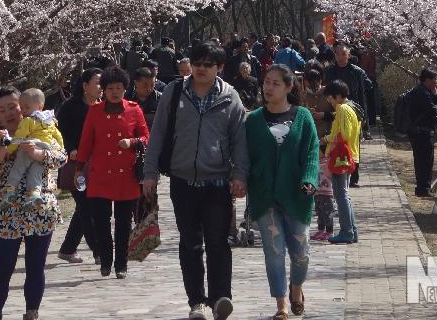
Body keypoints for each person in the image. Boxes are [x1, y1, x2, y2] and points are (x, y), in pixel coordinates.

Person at [142, 41, 249, 320]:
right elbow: (158, 133)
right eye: (197, 63)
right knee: (190, 243)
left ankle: (220, 298)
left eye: (207, 64)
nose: (200, 69)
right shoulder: (175, 92)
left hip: (217, 183)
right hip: (182, 180)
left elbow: (239, 140)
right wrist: (149, 173)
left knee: (218, 242)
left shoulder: (230, 97)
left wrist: (239, 175)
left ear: (219, 68)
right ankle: (197, 301)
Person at [0, 87, 67, 320]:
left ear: (24, 105)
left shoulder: (44, 128)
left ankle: (32, 313)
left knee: (35, 266)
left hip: (39, 209)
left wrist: (41, 155)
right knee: (3, 267)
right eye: (2, 110)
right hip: (7, 213)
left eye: (13, 106)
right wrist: (3, 150)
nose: (8, 113)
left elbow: (62, 156)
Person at [246, 65, 318, 319]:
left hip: (297, 196)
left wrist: (309, 179)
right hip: (265, 196)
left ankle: (296, 287)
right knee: (274, 252)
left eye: (275, 83)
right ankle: (281, 305)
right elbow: (245, 157)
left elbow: (312, 153)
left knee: (301, 253)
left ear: (289, 87)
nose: (269, 88)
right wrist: (241, 180)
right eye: (266, 82)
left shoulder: (303, 117)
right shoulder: (253, 120)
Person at [75, 66, 149, 279]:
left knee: (124, 224)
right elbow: (86, 141)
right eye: (110, 88)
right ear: (104, 91)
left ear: (125, 89)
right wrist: (79, 168)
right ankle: (105, 262)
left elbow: (146, 137)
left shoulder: (134, 109)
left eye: (119, 88)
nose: (114, 92)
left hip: (126, 176)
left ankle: (121, 265)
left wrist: (132, 142)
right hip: (100, 176)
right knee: (100, 222)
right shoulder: (94, 111)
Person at [56, 68, 102, 264]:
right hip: (76, 166)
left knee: (85, 208)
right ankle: (99, 251)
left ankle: (67, 248)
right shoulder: (69, 107)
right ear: (85, 86)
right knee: (86, 206)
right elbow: (59, 134)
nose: (102, 87)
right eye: (98, 83)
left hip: (97, 167)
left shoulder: (103, 107)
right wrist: (71, 149)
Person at [3, 89, 65, 203]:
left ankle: (10, 188)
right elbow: (58, 135)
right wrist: (61, 146)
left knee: (19, 167)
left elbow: (19, 136)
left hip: (30, 145)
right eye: (21, 108)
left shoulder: (28, 120)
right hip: (45, 148)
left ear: (40, 106)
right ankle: (35, 192)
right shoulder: (49, 120)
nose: (23, 111)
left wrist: (10, 150)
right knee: (36, 171)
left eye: (26, 107)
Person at [325, 41, 373, 185]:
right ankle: (336, 169)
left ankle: (354, 176)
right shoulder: (329, 71)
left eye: (344, 54)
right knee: (336, 139)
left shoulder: (357, 71)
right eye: (338, 54)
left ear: (349, 55)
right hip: (334, 108)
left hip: (352, 109)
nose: (341, 57)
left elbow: (368, 85)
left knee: (353, 142)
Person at [323, 80, 360, 245]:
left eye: (330, 99)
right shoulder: (351, 108)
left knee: (341, 196)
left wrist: (325, 139)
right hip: (348, 156)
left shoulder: (343, 109)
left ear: (338, 96)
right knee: (344, 195)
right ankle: (351, 230)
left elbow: (343, 135)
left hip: (341, 158)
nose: (330, 102)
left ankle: (346, 231)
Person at [408, 68, 437, 197]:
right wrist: (435, 95)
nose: (436, 82)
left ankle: (422, 187)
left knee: (422, 160)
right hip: (422, 132)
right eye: (435, 79)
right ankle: (423, 188)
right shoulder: (422, 93)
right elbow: (432, 110)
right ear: (427, 80)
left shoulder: (420, 91)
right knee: (425, 161)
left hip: (419, 131)